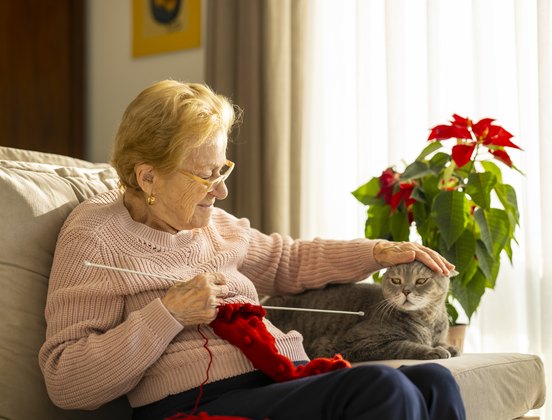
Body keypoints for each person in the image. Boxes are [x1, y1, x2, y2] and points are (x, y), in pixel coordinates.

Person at [38, 79, 466, 420]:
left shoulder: (213, 225)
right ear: (148, 177)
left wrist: (377, 253)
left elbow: (287, 261)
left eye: (223, 168)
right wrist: (167, 313)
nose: (222, 190)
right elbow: (66, 379)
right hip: (193, 402)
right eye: (207, 175)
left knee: (435, 382)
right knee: (382, 389)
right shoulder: (94, 234)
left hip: (277, 378)